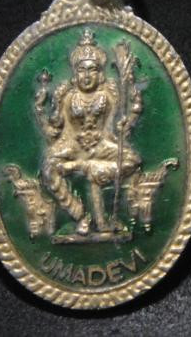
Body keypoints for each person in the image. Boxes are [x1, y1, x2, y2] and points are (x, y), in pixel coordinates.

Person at [37, 29, 141, 234]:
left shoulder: (109, 94)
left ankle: (87, 167)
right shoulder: (66, 95)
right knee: (49, 168)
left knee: (133, 161)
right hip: (73, 145)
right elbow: (56, 127)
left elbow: (122, 122)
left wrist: (126, 120)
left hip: (102, 145)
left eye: (92, 70)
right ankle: (80, 215)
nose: (86, 75)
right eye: (81, 70)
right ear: (75, 73)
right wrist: (42, 107)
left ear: (100, 73)